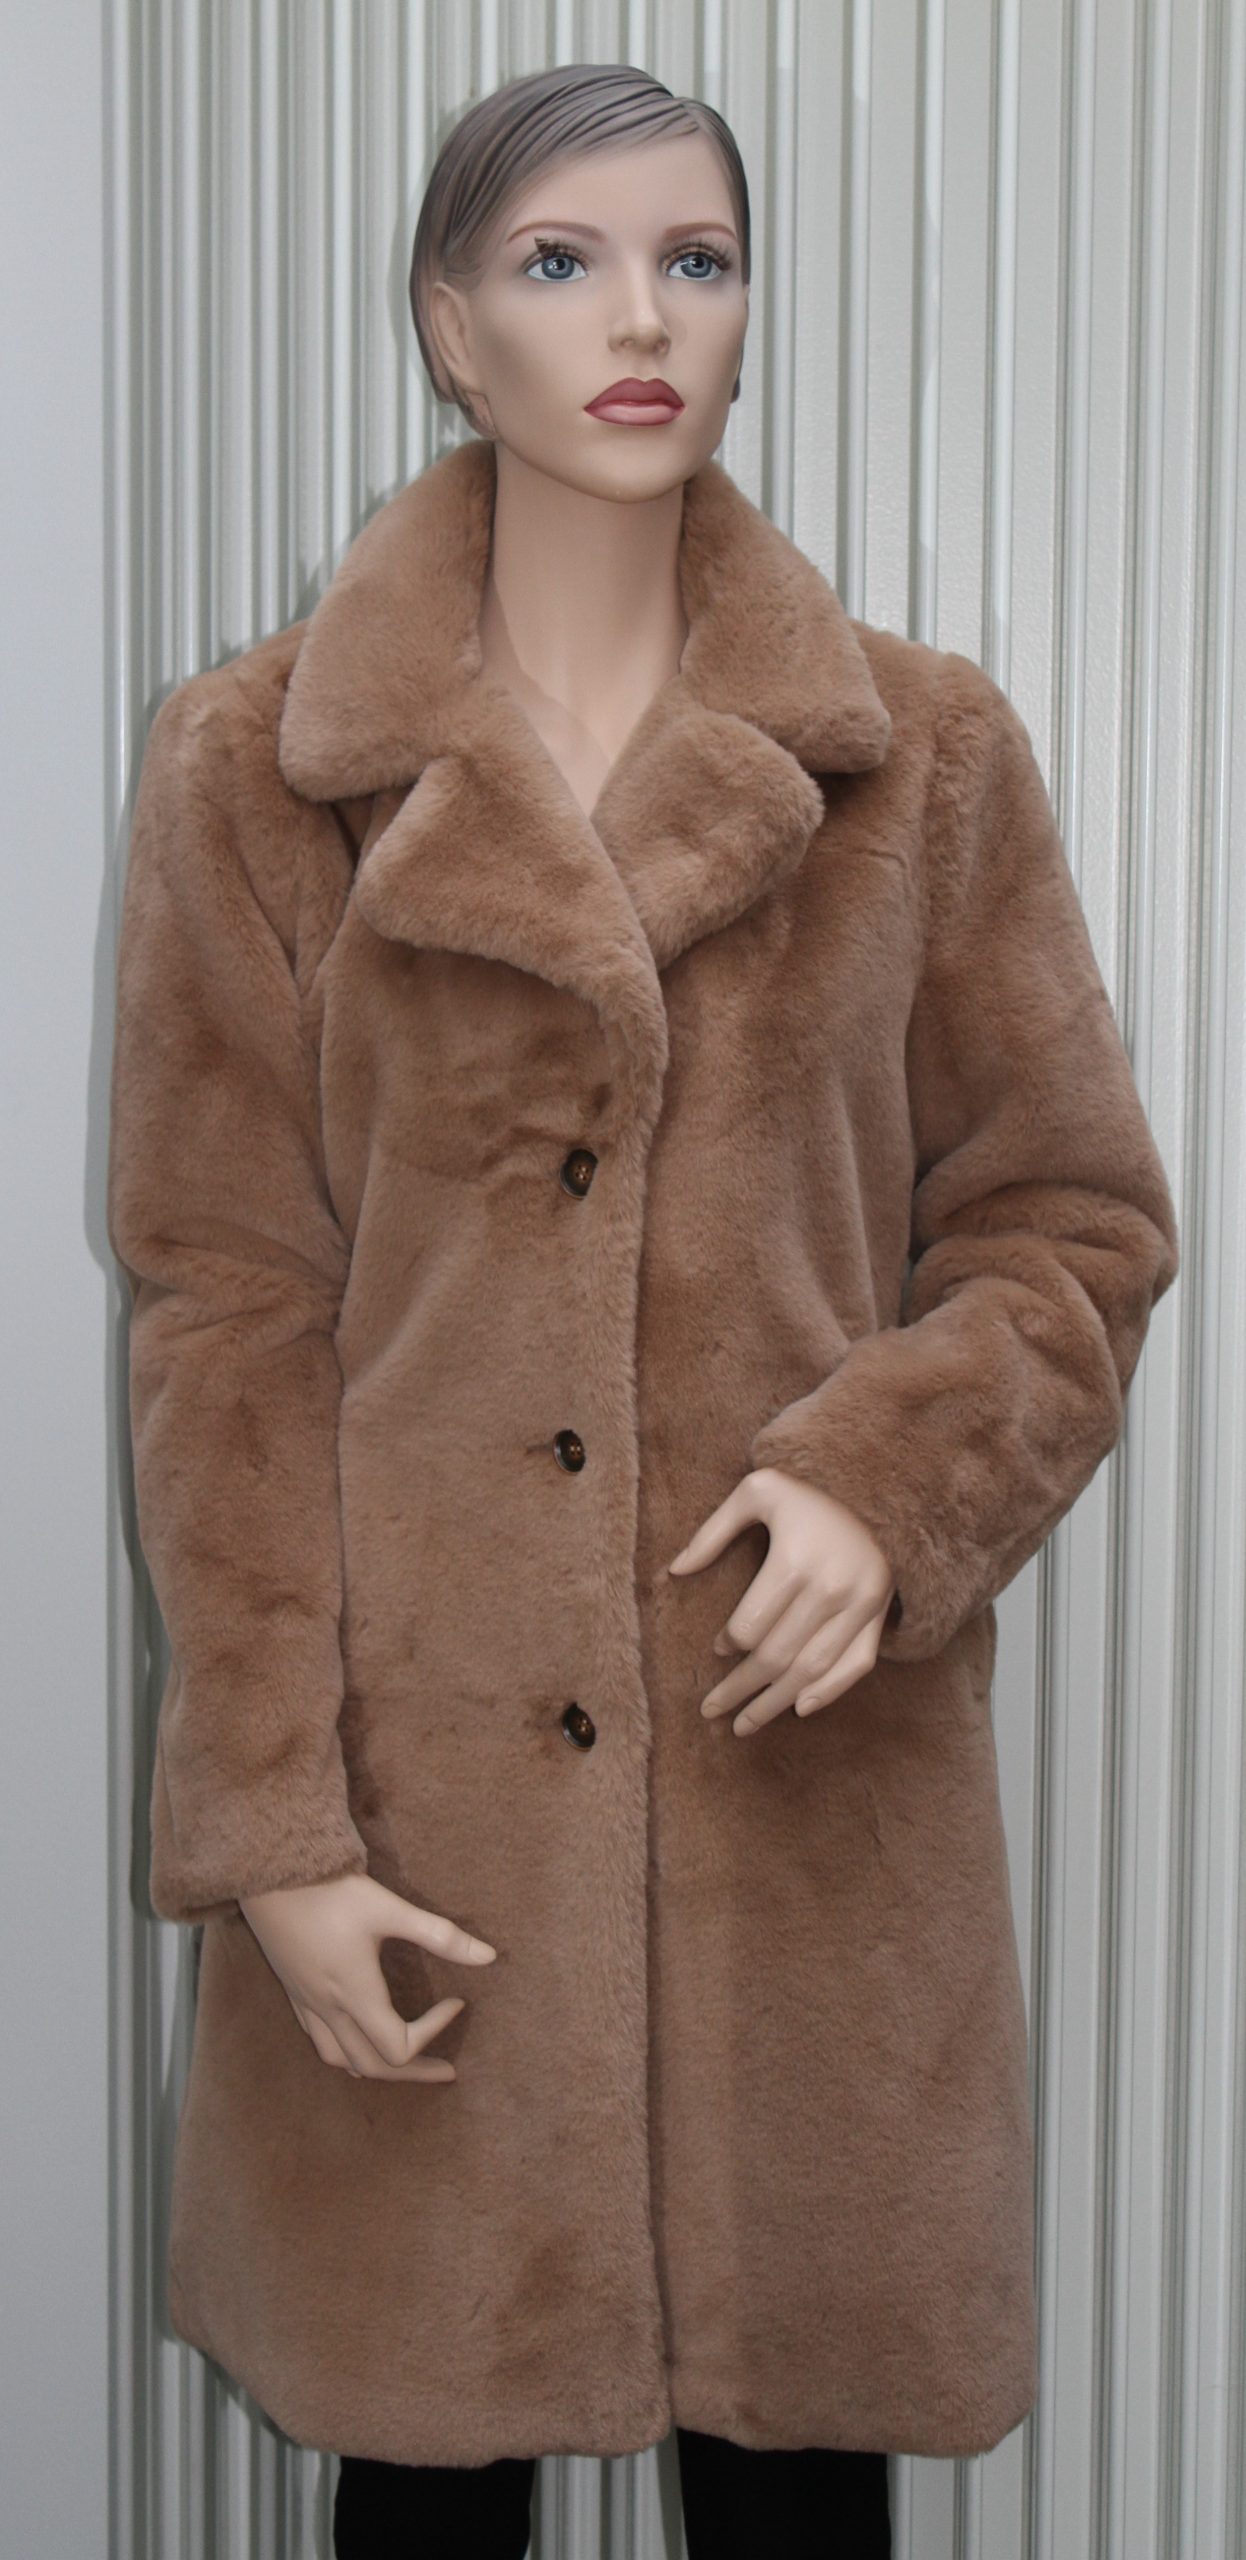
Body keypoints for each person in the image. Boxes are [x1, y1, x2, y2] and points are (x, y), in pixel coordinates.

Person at [106, 59, 1178, 2560]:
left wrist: (885, 1480)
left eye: (694, 260)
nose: (639, 321)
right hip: (422, 1799)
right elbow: (224, 1311)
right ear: (444, 325)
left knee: (798, 2492)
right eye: (557, 261)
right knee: (423, 2490)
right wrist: (270, 1824)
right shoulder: (257, 770)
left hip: (800, 1786)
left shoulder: (917, 760)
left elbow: (1065, 1223)